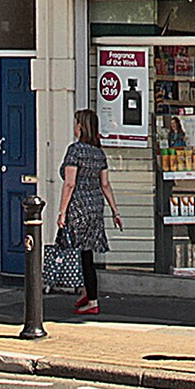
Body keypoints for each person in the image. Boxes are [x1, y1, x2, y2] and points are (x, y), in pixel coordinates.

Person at [56, 106, 123, 316]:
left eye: (77, 123)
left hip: (78, 208)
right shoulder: (98, 152)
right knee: (87, 253)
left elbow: (69, 184)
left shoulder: (75, 150)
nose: (75, 127)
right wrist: (115, 211)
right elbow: (105, 184)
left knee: (77, 252)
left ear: (81, 127)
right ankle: (87, 292)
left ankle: (91, 299)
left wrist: (62, 212)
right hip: (95, 207)